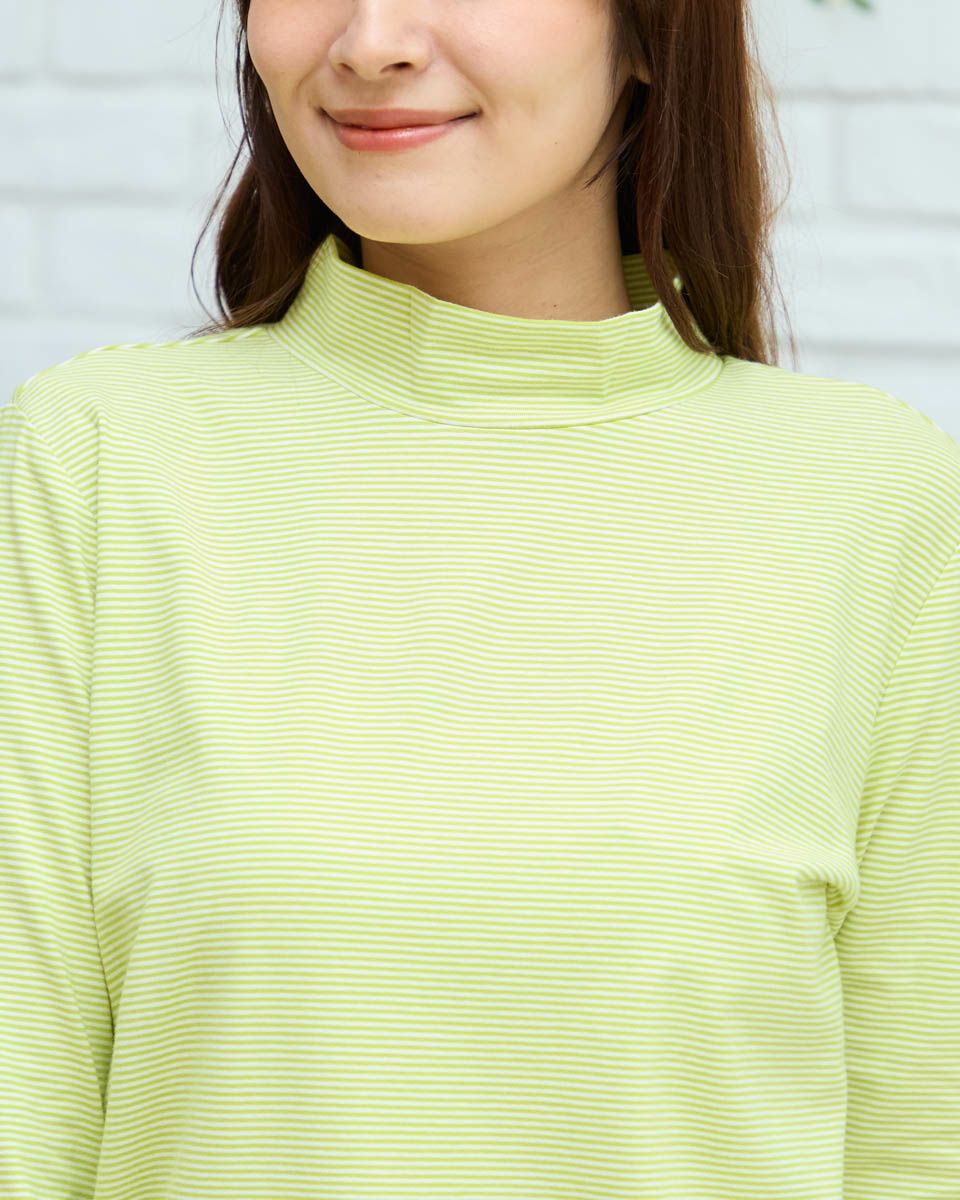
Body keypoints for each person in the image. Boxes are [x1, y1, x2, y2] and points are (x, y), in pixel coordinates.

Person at [1, 1, 957, 1197]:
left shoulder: (872, 495)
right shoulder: (94, 461)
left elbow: (921, 1141)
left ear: (649, 31)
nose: (372, 42)